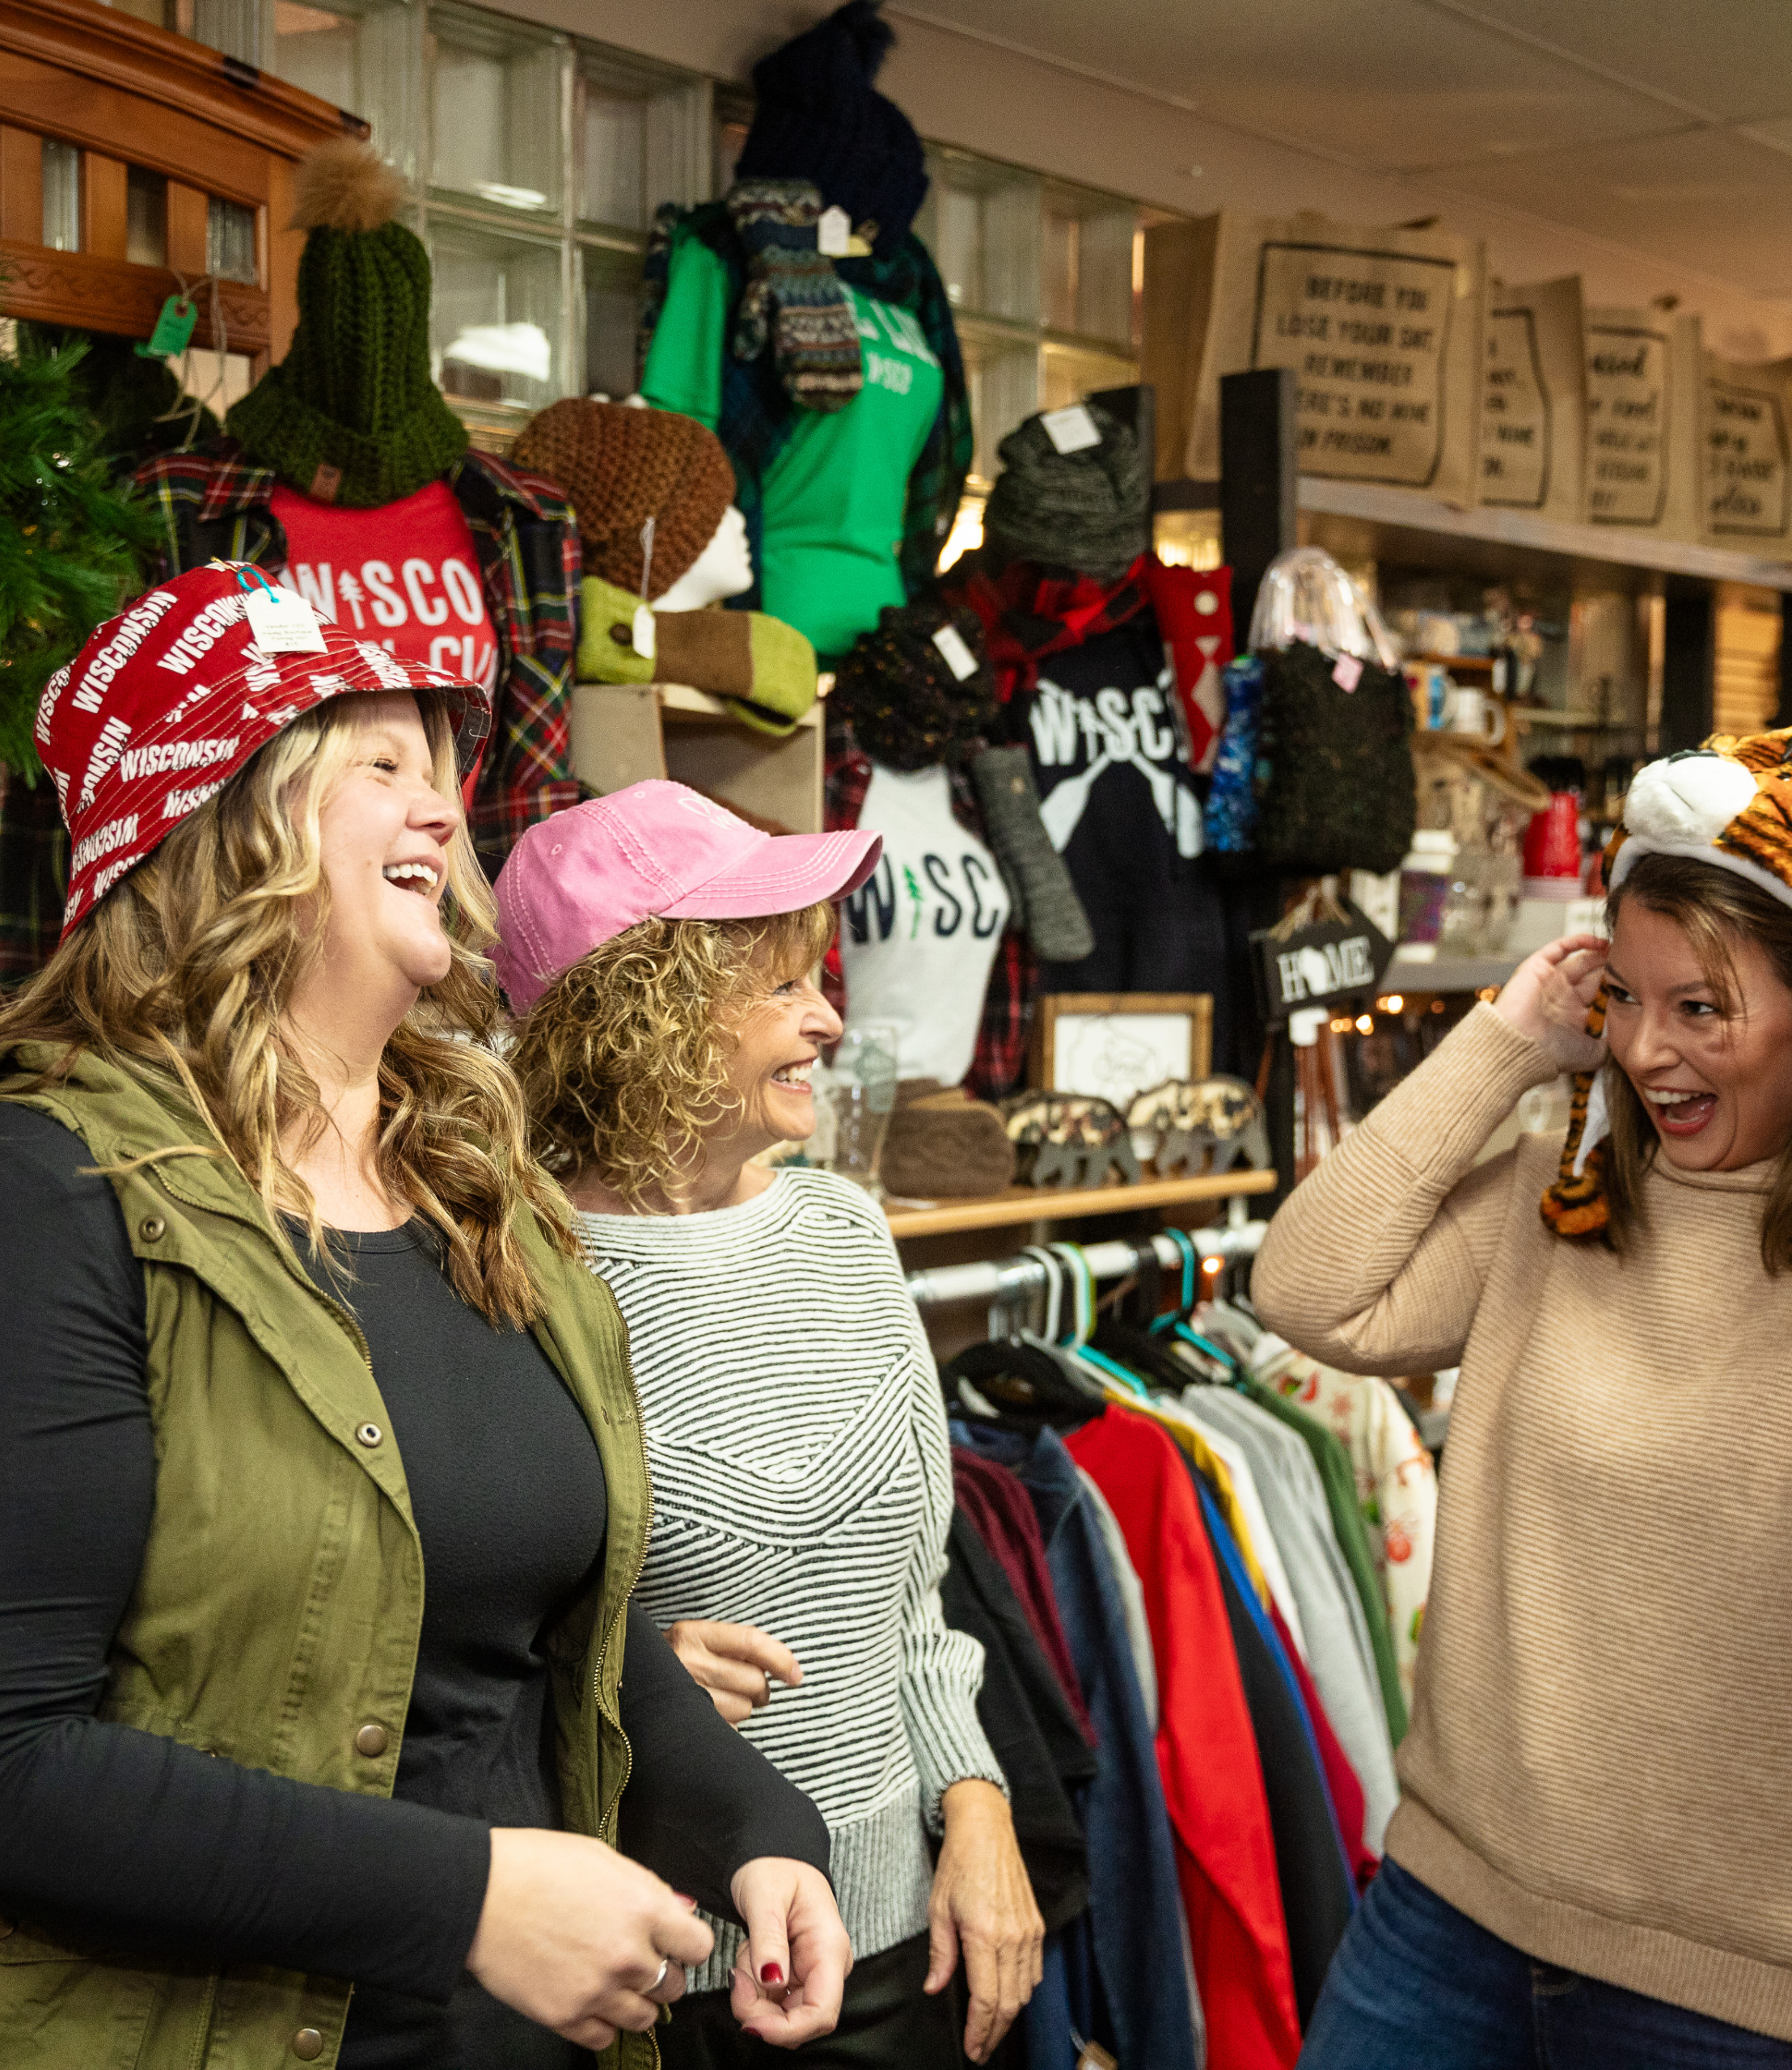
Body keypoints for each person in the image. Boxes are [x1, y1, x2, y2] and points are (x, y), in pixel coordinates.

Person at [0, 567, 849, 2070]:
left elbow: (544, 1635)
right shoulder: (57, 1191)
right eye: (376, 764)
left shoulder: (475, 1182)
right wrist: (467, 1896)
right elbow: (20, 1763)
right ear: (214, 821)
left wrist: (751, 1829)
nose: (448, 808)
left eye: (440, 764)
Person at [1253, 721, 1792, 2070]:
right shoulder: (1568, 1210)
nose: (1650, 1051)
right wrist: (1506, 1044)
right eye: (1629, 995)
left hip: (1754, 1995)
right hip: (1452, 1913)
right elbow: (1313, 1294)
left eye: (1704, 1007)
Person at [495, 780, 1046, 2068]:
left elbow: (917, 1602)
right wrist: (614, 1682)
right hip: (664, 1970)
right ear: (641, 1014)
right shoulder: (520, 1276)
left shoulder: (845, 1233)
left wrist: (977, 1808)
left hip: (906, 1938)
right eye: (776, 986)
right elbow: (455, 1640)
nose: (827, 1019)